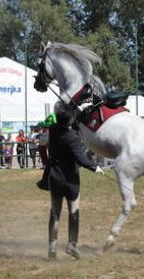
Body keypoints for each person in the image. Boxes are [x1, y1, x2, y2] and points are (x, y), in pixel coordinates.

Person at [46, 102, 104, 260]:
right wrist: (95, 167)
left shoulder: (53, 130)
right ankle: (72, 245)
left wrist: (77, 110)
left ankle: (52, 248)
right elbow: (82, 159)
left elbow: (66, 120)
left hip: (54, 176)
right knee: (73, 211)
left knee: (55, 212)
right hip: (70, 178)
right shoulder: (73, 138)